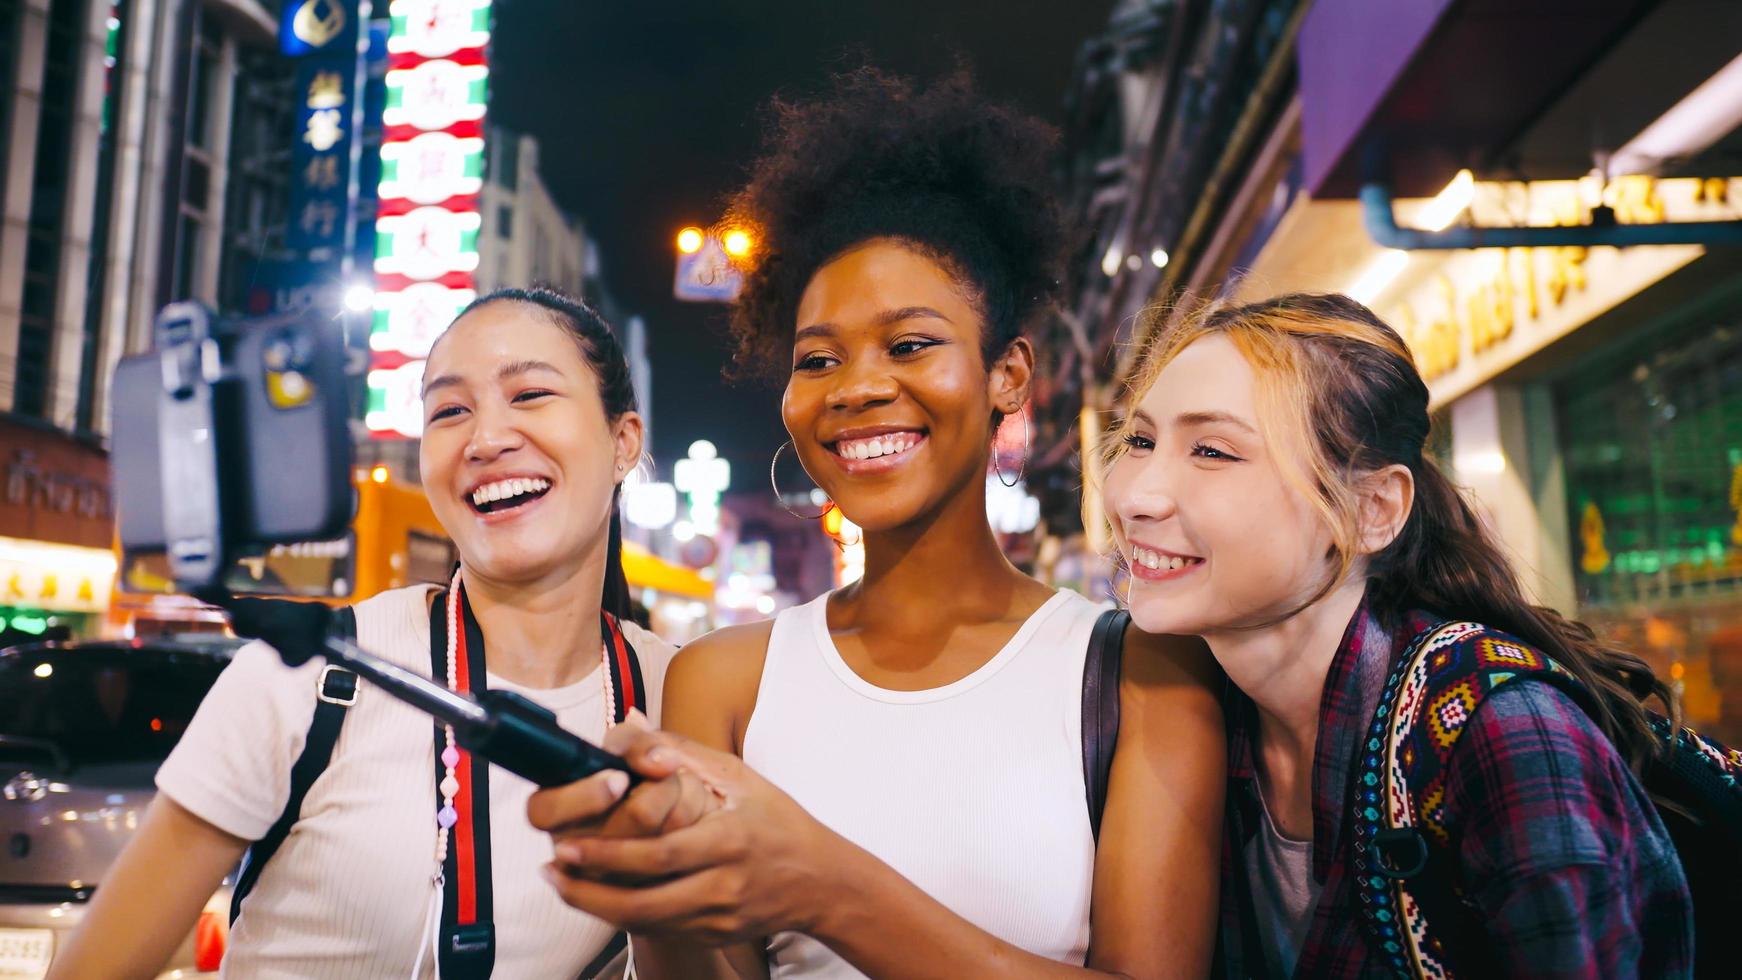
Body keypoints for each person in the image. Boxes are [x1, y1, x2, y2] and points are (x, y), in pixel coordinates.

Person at [526, 70, 1227, 979]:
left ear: (1007, 375)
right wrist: (652, 887)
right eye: (818, 358)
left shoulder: (1143, 671)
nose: (856, 387)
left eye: (910, 345)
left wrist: (824, 887)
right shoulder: (720, 683)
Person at [52, 287, 678, 978]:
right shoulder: (307, 675)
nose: (487, 439)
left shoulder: (678, 695)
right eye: (450, 410)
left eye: (529, 395)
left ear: (624, 443)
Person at [1098, 292, 1693, 976]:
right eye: (1140, 441)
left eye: (1212, 451)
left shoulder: (1505, 734)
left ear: (1371, 511)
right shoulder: (1191, 712)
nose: (1138, 495)